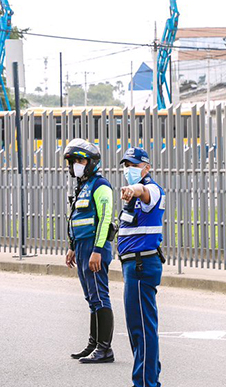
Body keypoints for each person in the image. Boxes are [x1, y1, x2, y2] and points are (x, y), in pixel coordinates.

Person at [63, 138, 116, 364]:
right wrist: (72, 247)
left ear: (91, 162)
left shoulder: (100, 185)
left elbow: (105, 218)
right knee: (91, 297)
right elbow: (77, 218)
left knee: (100, 296)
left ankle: (105, 349)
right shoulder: (82, 186)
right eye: (73, 160)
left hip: (96, 247)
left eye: (80, 159)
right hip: (83, 247)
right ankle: (93, 344)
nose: (76, 163)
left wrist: (97, 250)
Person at [118, 147, 165, 387]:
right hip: (134, 265)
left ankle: (146, 383)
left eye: (134, 166)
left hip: (141, 264)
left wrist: (133, 189)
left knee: (142, 330)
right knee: (139, 329)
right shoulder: (129, 199)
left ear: (147, 167)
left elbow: (143, 191)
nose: (129, 170)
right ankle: (150, 378)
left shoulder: (152, 189)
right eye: (126, 166)